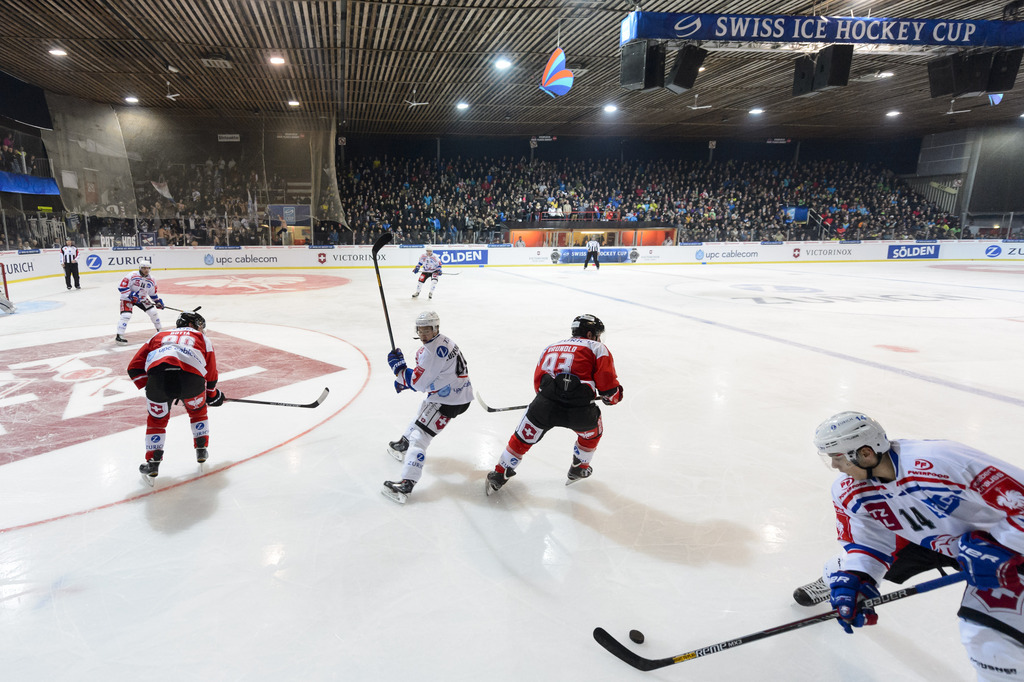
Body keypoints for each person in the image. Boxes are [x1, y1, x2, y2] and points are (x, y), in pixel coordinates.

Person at [813, 411, 1024, 680]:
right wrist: (858, 577)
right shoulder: (849, 490)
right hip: (939, 543)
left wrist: (1003, 543)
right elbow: (866, 543)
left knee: (989, 642)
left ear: (865, 453)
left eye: (838, 457)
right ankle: (831, 581)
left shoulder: (941, 460)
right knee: (842, 569)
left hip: (999, 549)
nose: (834, 466)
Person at [485, 314, 623, 495]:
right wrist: (612, 397)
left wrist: (548, 399)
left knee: (521, 438)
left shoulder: (551, 347)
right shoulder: (597, 348)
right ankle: (579, 467)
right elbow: (609, 390)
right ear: (590, 334)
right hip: (580, 412)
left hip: (544, 407)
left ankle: (500, 473)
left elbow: (538, 382)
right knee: (592, 434)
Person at [382, 311, 473, 504]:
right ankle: (403, 443)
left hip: (447, 400)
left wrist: (398, 369)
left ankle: (407, 484)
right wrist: (406, 377)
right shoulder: (443, 342)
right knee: (423, 414)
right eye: (420, 330)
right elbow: (428, 377)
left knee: (420, 438)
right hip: (457, 393)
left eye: (427, 330)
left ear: (436, 329)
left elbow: (419, 384)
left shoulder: (431, 352)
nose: (423, 335)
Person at [127, 310, 224, 484]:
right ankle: (201, 449)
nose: (202, 329)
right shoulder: (201, 338)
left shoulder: (158, 335)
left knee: (157, 420)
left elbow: (133, 367)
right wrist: (212, 395)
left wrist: (151, 387)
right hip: (191, 381)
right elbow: (211, 371)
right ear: (192, 325)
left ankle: (153, 462)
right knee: (198, 412)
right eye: (200, 325)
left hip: (158, 381)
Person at [115, 259, 164, 343]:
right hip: (128, 298)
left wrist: (157, 301)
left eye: (148, 268)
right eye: (144, 268)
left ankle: (160, 331)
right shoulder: (132, 275)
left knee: (153, 312)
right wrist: (131, 294)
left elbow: (152, 293)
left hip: (142, 299)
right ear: (140, 268)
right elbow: (121, 286)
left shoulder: (152, 279)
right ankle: (119, 335)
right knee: (126, 315)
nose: (146, 270)